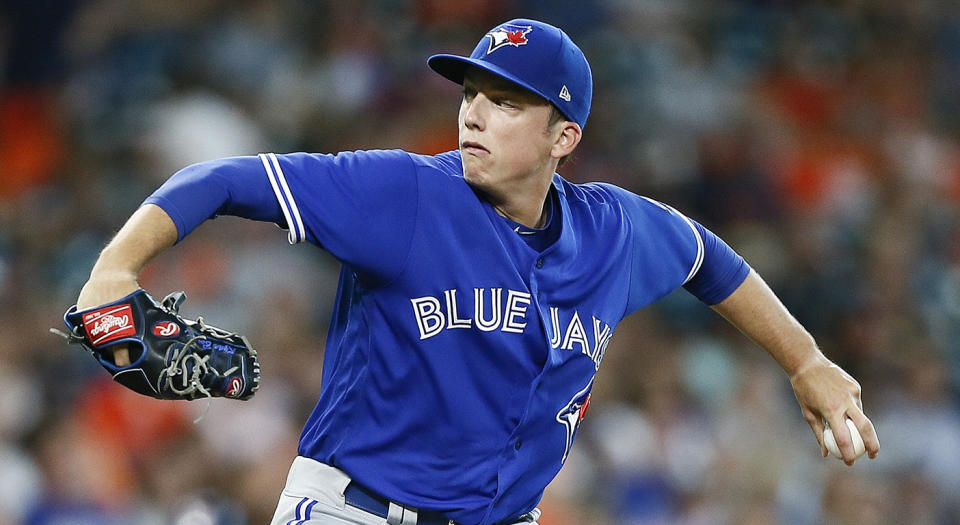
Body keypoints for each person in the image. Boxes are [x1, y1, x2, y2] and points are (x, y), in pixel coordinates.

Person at [74, 18, 879, 525]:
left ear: (564, 137)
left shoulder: (614, 230)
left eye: (506, 100)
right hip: (355, 511)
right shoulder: (403, 193)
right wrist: (117, 266)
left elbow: (713, 261)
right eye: (473, 91)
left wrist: (804, 360)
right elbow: (222, 179)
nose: (473, 111)